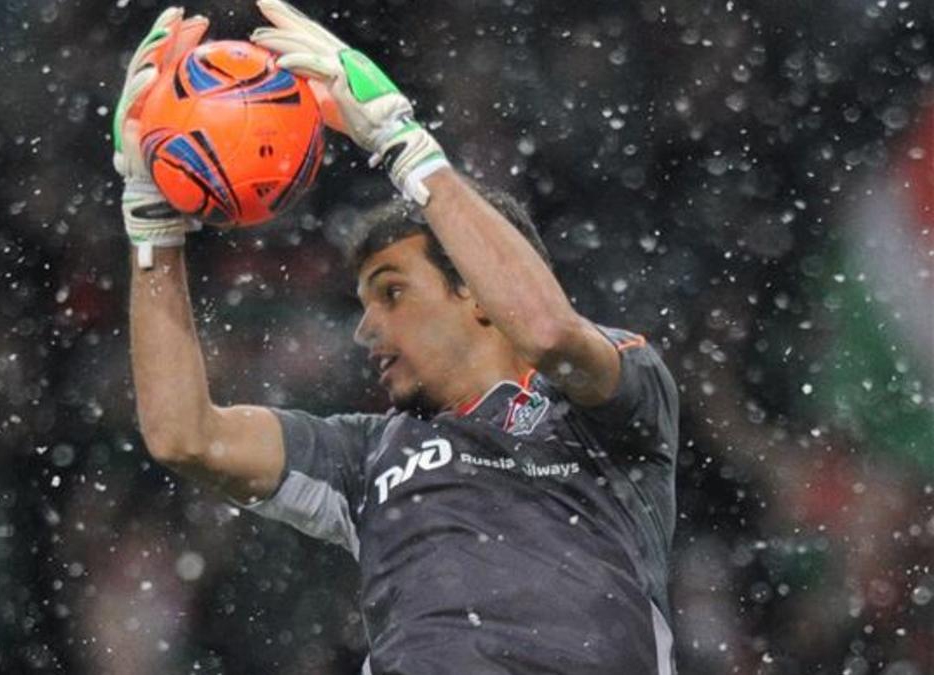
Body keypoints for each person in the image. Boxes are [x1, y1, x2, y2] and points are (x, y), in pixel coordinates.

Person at [112, 3, 679, 673]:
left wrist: (401, 142)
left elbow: (549, 332)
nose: (366, 327)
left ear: (475, 290)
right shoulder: (366, 456)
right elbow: (185, 435)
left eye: (393, 292)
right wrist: (154, 230)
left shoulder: (609, 406)